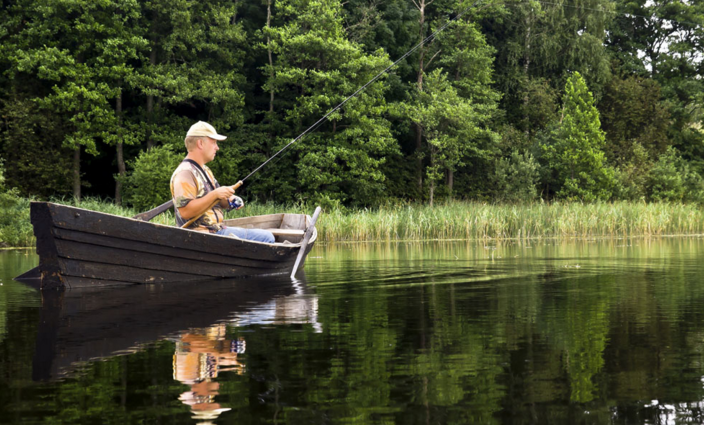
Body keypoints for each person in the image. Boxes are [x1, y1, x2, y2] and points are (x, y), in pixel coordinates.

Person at [170, 121, 275, 243]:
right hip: (202, 236)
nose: (217, 147)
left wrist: (230, 200)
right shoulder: (185, 173)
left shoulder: (205, 170)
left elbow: (218, 200)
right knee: (267, 237)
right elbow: (186, 211)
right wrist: (215, 194)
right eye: (213, 142)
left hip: (216, 231)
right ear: (200, 143)